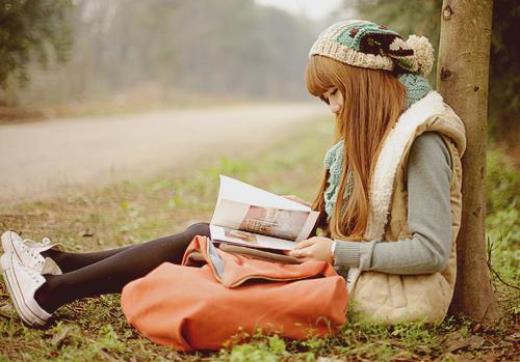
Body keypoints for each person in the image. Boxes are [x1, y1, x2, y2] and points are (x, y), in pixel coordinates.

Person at [1, 19, 466, 327]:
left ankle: (49, 294)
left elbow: (428, 251)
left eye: (334, 93)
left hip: (380, 290)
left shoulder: (422, 142)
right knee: (207, 230)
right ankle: (59, 263)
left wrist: (335, 249)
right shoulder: (373, 138)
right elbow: (351, 220)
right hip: (343, 264)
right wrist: (282, 219)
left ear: (364, 83)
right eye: (325, 99)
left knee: (199, 238)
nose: (334, 107)